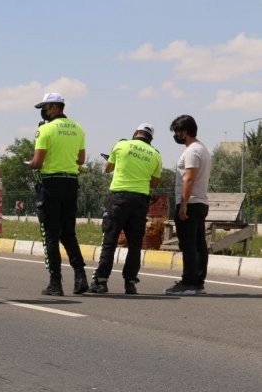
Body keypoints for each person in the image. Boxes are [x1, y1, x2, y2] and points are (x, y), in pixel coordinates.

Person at [87, 123, 162, 295]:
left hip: (119, 198)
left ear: (136, 133)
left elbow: (108, 169)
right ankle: (130, 282)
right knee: (135, 244)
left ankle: (101, 281)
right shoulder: (156, 155)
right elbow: (155, 182)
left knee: (110, 240)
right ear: (151, 138)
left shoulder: (121, 145)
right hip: (141, 201)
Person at [27, 93, 88, 296]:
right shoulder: (78, 128)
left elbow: (37, 162)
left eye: (44, 107)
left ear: (54, 107)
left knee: (51, 235)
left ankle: (55, 282)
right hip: (71, 183)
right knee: (68, 233)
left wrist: (30, 164)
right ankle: (80, 277)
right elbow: (80, 160)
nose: (43, 111)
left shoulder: (45, 129)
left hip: (50, 185)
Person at [165, 115, 211, 296]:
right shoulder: (202, 148)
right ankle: (198, 282)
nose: (176, 135)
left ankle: (189, 282)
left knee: (188, 244)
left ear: (185, 131)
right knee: (199, 244)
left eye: (177, 132)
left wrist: (183, 204)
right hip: (200, 202)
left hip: (190, 202)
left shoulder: (192, 151)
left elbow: (189, 178)